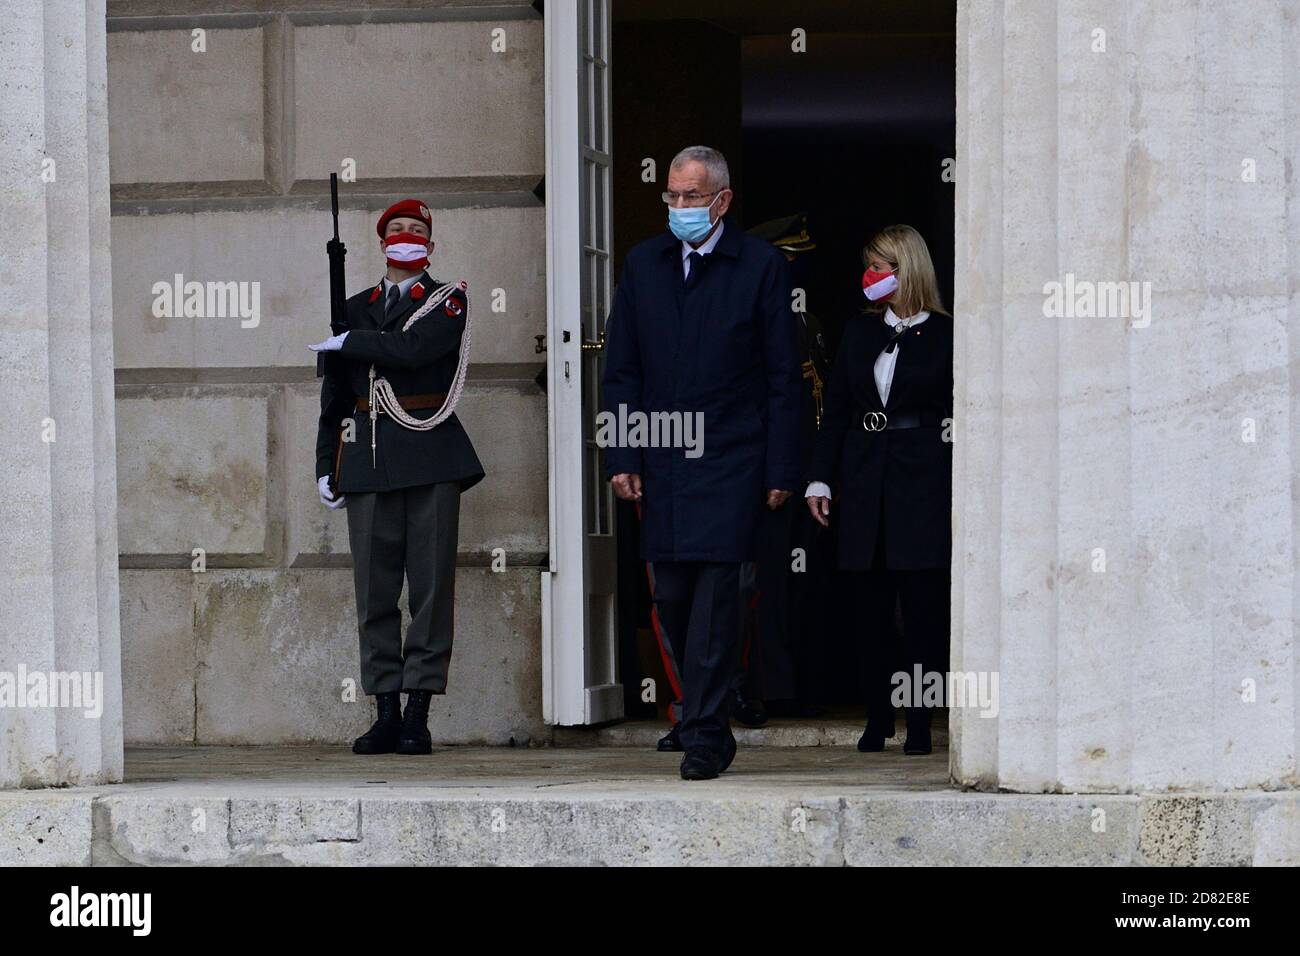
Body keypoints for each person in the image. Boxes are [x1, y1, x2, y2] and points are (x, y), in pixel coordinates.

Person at [602, 146, 803, 780]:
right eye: (672, 196)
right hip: (661, 455)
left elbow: (783, 378)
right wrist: (621, 451)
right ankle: (697, 712)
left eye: (692, 197)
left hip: (734, 458)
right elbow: (621, 370)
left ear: (722, 200)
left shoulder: (761, 266)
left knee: (720, 600)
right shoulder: (643, 264)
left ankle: (707, 731)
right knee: (674, 598)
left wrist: (781, 469)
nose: (680, 208)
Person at [309, 199, 484, 756]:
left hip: (430, 455)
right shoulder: (355, 307)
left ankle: (418, 714)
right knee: (375, 592)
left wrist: (351, 341)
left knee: (430, 589)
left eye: (417, 231)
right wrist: (324, 464)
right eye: (396, 230)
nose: (406, 237)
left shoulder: (446, 300)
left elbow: (414, 350)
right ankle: (384, 710)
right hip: (367, 459)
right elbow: (336, 397)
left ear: (429, 247)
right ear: (382, 243)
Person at [805, 224, 952, 756]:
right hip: (865, 480)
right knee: (868, 609)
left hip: (922, 482)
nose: (871, 274)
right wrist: (821, 476)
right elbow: (838, 411)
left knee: (921, 610)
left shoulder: (946, 334)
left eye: (881, 265)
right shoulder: (859, 333)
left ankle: (918, 723)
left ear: (907, 269)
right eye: (868, 263)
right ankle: (876, 716)